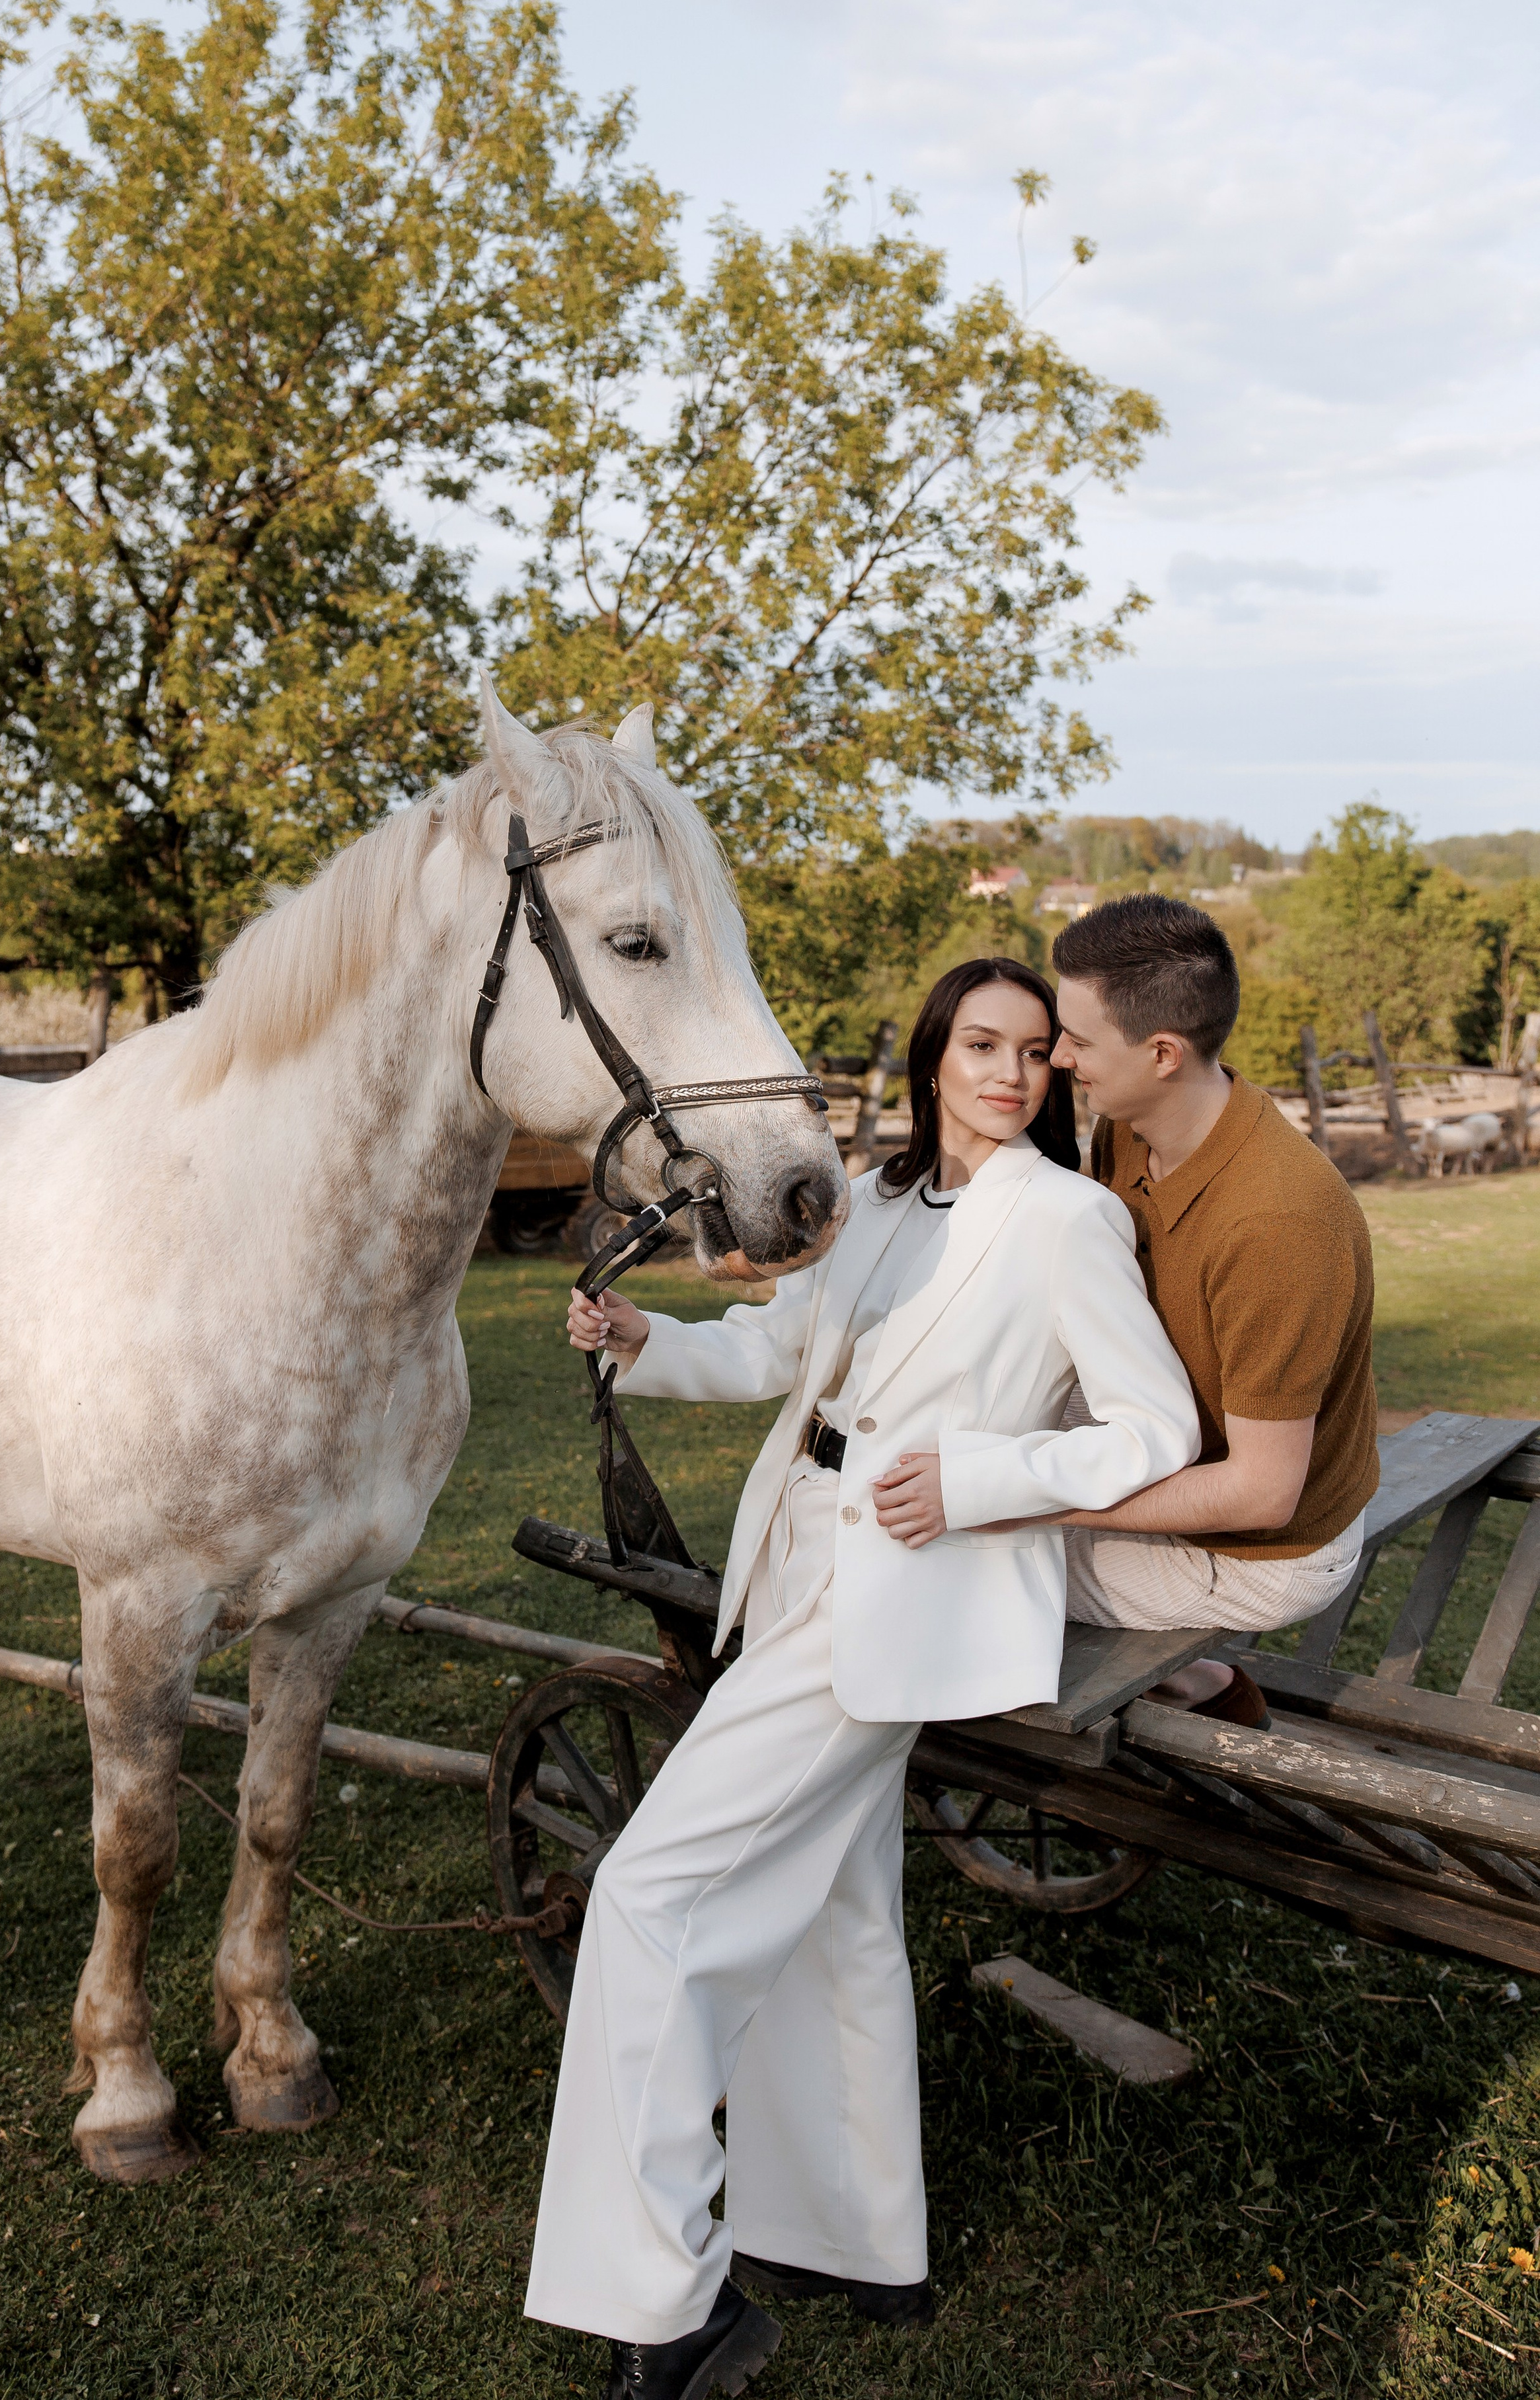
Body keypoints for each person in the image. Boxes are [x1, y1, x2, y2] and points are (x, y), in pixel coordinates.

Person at [523, 957, 1201, 2400]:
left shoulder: (1069, 1220)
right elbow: (779, 1351)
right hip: (794, 1559)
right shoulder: (873, 1204)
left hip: (905, 1592)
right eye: (981, 1044)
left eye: (1034, 1051)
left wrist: (973, 1478)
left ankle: (665, 2303)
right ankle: (849, 2237)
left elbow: (1151, 1432)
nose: (1008, 1072)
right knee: (833, 1913)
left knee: (649, 1896)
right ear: (933, 1055)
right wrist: (645, 1341)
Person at [1045, 893, 1380, 1717]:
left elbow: (1262, 1495)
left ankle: (1202, 1687)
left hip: (1263, 1551)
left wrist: (1021, 1498)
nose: (1057, 1056)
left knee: (962, 1551)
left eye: (1078, 1040)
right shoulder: (1128, 1126)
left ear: (1162, 1052)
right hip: (1174, 1442)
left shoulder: (1277, 1225)